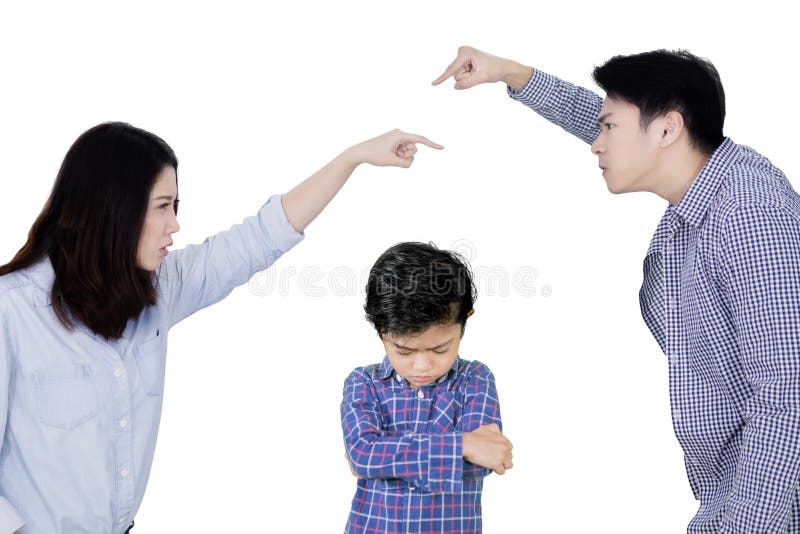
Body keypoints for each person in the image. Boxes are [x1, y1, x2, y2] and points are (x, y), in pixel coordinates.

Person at [0, 122, 442, 534]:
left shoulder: (157, 288)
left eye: (175, 205)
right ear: (113, 211)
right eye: (162, 207)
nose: (175, 224)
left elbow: (259, 238)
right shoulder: (11, 310)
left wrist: (353, 158)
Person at [434, 47, 800, 532]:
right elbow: (607, 120)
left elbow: (787, 393)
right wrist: (511, 74)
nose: (596, 143)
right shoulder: (705, 179)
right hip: (734, 497)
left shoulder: (749, 216)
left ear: (668, 129)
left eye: (609, 128)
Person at [341, 242, 513, 533]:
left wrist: (386, 460)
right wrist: (463, 445)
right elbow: (363, 454)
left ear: (464, 320)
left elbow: (482, 463)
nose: (422, 366)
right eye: (405, 352)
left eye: (440, 349)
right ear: (380, 331)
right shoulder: (363, 383)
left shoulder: (475, 379)